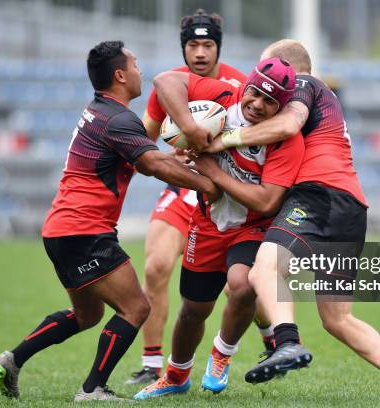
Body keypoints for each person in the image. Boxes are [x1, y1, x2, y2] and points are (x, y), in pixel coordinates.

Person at [0, 40, 220, 402]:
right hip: (84, 231)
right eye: (136, 64)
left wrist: (177, 160)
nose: (140, 70)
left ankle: (12, 360)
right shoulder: (118, 118)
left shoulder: (100, 112)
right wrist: (211, 185)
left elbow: (147, 158)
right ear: (120, 75)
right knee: (137, 307)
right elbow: (151, 164)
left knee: (87, 313)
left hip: (62, 230)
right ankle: (92, 388)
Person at [208, 39, 380, 401]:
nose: (266, 83)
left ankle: (287, 342)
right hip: (352, 206)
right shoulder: (327, 99)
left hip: (317, 195)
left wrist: (225, 139)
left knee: (263, 270)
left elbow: (289, 126)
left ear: (286, 69)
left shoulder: (306, 86)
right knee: (337, 318)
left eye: (269, 71)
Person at [133, 57, 304, 400]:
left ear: (281, 106)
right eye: (254, 94)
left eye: (269, 101)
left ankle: (221, 354)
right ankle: (176, 374)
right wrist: (190, 127)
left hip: (254, 226)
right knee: (193, 309)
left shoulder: (287, 141)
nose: (257, 104)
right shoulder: (224, 95)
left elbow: (267, 201)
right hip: (209, 222)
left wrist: (212, 171)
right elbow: (166, 80)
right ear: (246, 86)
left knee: (243, 286)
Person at [127, 8, 274, 386]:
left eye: (208, 44)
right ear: (184, 48)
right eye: (193, 44)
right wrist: (161, 154)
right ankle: (152, 361)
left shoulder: (242, 88)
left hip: (225, 190)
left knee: (239, 283)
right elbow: (145, 136)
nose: (200, 52)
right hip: (184, 186)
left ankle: (269, 329)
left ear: (218, 48)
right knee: (157, 266)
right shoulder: (172, 85)